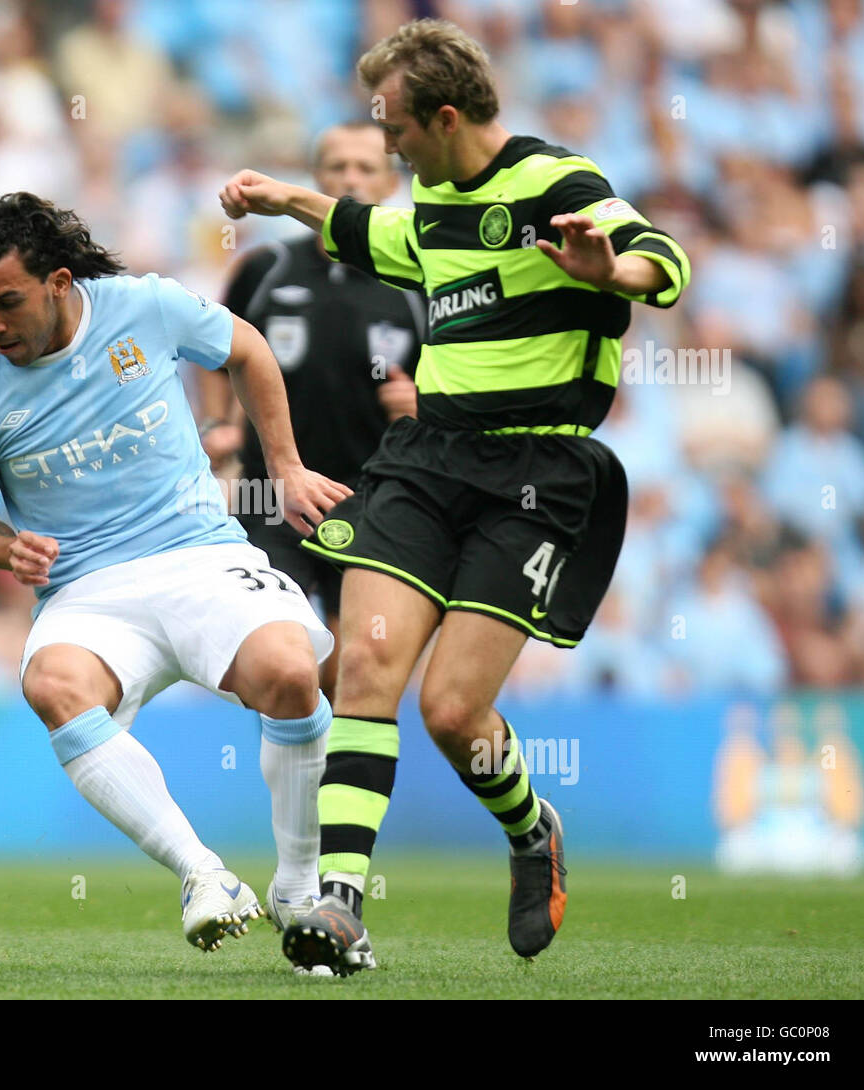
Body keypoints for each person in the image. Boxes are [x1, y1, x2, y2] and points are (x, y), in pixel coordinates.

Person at [219, 19, 690, 974]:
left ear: (441, 117)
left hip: (536, 479)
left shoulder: (557, 183)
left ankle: (531, 829)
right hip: (428, 461)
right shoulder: (430, 208)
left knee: (452, 713)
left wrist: (612, 270)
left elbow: (665, 263)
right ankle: (339, 905)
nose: (384, 146)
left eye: (391, 127)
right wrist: (283, 198)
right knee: (364, 667)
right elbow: (369, 229)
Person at [0, 192, 351, 969]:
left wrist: (287, 468)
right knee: (53, 686)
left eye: (6, 302)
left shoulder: (146, 308)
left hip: (199, 555)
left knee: (294, 674)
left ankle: (297, 888)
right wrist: (7, 550)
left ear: (59, 282)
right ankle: (204, 876)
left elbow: (249, 350)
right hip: (89, 593)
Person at [198, 120, 423, 700]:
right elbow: (216, 351)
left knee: (358, 661)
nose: (350, 178)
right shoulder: (266, 266)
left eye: (366, 167)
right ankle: (303, 774)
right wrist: (219, 423)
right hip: (271, 494)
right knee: (280, 658)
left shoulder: (419, 281)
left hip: (373, 495)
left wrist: (425, 404)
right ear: (316, 175)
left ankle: (338, 775)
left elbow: (458, 376)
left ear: (392, 182)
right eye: (338, 166)